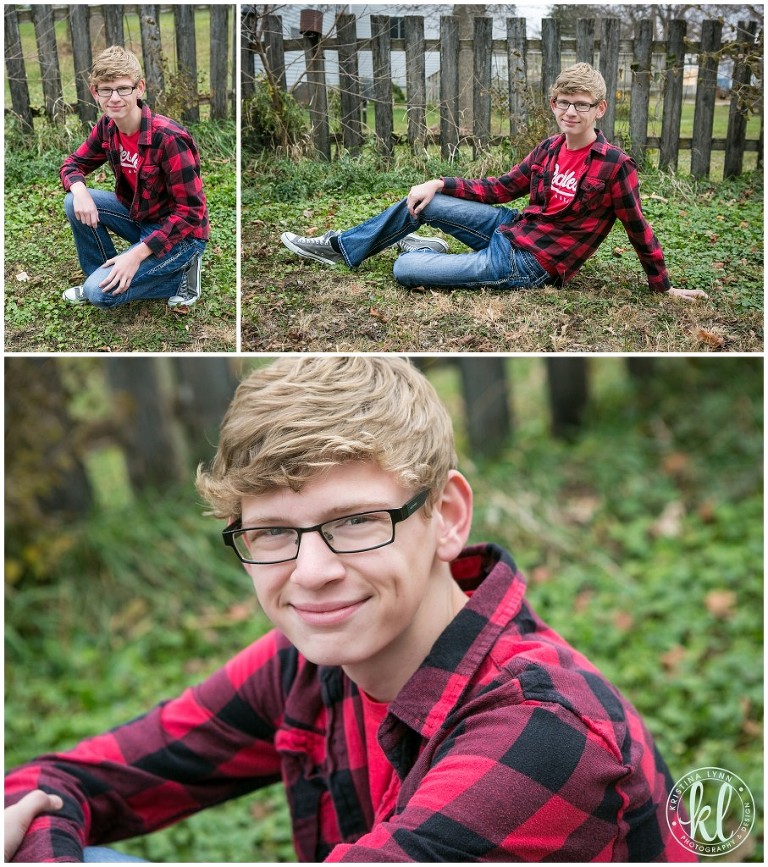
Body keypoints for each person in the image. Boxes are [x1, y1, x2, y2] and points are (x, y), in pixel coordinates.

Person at [5, 356, 696, 862]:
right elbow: (54, 783)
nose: (311, 574)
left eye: (357, 520)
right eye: (272, 532)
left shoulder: (543, 735)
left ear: (447, 516)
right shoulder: (307, 667)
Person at [281, 63, 707, 301]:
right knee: (425, 203)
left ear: (600, 109)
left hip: (531, 264)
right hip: (511, 229)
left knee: (404, 269)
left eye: (581, 105)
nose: (570, 112)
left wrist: (663, 287)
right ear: (553, 104)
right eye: (564, 103)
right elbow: (501, 189)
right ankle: (341, 247)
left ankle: (425, 253)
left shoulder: (615, 166)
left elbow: (637, 227)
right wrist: (439, 182)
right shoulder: (549, 148)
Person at [60, 46, 209, 310]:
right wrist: (80, 190)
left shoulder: (169, 138)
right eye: (106, 90)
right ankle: (102, 274)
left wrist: (137, 254)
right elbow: (73, 164)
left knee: (98, 294)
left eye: (123, 89)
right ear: (95, 92)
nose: (114, 98)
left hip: (182, 236)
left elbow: (190, 213)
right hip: (142, 217)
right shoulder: (108, 127)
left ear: (139, 88)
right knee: (73, 200)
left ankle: (181, 276)